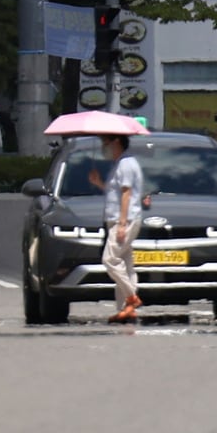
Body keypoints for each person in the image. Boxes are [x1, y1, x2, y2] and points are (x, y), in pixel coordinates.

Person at [88, 134, 144, 323]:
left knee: (110, 259)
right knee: (126, 265)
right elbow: (114, 192)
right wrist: (98, 183)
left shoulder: (126, 164)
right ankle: (126, 308)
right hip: (117, 220)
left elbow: (126, 193)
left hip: (125, 220)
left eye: (106, 142)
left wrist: (122, 224)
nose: (104, 147)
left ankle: (131, 297)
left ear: (117, 142)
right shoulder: (119, 164)